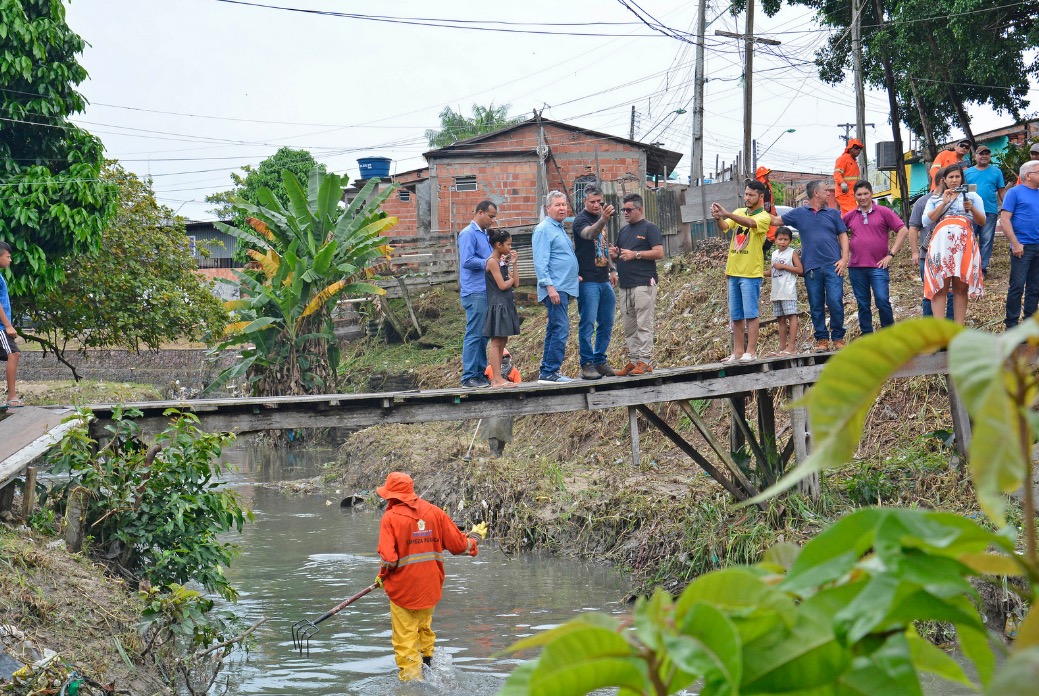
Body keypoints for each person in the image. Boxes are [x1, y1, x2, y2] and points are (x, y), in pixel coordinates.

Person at [375, 472, 483, 682]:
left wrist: (382, 575)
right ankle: (428, 663)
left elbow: (389, 558)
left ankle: (413, 685)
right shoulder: (435, 512)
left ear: (392, 496)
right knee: (424, 628)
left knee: (406, 641)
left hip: (403, 592)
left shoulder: (390, 518)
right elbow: (459, 545)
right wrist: (474, 540)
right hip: (430, 588)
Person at [773, 180, 850, 352]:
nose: (829, 193)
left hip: (833, 266)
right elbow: (775, 220)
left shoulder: (833, 213)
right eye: (825, 190)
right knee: (816, 304)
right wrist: (756, 212)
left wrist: (844, 258)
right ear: (816, 193)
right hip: (811, 268)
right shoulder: (799, 213)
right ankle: (822, 340)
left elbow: (843, 236)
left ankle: (838, 338)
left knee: (835, 301)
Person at [712, 180, 772, 362]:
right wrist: (718, 218)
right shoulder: (738, 212)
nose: (747, 197)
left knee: (751, 313)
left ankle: (751, 352)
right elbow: (725, 227)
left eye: (751, 195)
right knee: (736, 315)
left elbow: (750, 223)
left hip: (751, 273)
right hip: (733, 271)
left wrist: (727, 213)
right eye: (746, 194)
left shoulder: (764, 217)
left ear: (760, 197)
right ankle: (738, 352)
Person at [842, 181, 911, 334]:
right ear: (854, 196)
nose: (863, 197)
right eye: (859, 194)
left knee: (882, 300)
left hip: (878, 266)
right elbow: (838, 233)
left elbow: (903, 230)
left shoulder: (883, 211)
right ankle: (868, 339)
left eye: (865, 193)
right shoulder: (850, 216)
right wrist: (844, 253)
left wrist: (891, 254)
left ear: (871, 194)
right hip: (856, 267)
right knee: (863, 304)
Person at [922, 164, 985, 324]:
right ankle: (940, 332)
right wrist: (943, 203)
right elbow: (925, 221)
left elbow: (982, 221)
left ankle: (957, 331)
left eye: (957, 176)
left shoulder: (973, 197)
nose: (954, 180)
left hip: (964, 243)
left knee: (961, 287)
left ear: (962, 178)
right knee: (940, 286)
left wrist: (971, 209)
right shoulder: (935, 198)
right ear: (944, 180)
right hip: (941, 244)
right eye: (951, 177)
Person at [609, 193, 664, 375]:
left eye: (628, 209)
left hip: (644, 283)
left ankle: (645, 361)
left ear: (639, 209)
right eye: (623, 209)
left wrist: (636, 254)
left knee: (643, 324)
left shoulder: (650, 228)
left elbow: (659, 253)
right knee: (629, 326)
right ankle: (633, 361)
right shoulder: (624, 231)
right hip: (625, 285)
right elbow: (619, 254)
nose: (625, 212)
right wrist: (615, 254)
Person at [533, 190, 579, 384]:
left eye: (564, 205)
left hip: (564, 285)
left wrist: (575, 274)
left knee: (555, 327)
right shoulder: (544, 229)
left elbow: (561, 257)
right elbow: (540, 262)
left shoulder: (558, 228)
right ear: (548, 208)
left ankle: (547, 371)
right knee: (560, 327)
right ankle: (550, 371)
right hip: (555, 288)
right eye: (558, 205)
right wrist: (549, 287)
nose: (562, 208)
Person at [572, 184, 617, 380]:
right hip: (587, 280)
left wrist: (612, 268)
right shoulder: (580, 220)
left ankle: (599, 360)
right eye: (593, 202)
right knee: (588, 323)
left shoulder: (602, 217)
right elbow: (590, 234)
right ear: (585, 201)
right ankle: (586, 363)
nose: (597, 205)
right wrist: (603, 219)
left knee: (607, 322)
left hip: (603, 279)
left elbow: (604, 245)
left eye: (600, 201)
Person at [457, 200, 498, 388]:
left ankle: (480, 374)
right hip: (474, 291)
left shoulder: (484, 235)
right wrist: (487, 263)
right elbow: (467, 261)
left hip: (485, 290)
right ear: (480, 212)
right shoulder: (468, 234)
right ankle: (469, 376)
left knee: (483, 334)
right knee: (474, 333)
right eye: (490, 217)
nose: (492, 221)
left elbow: (489, 259)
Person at [1001, 160, 1039, 328]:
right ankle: (1012, 325)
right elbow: (1005, 220)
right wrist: (1015, 243)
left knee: (1035, 287)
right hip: (1022, 247)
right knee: (1017, 286)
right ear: (1028, 175)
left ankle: (1029, 325)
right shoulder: (1014, 193)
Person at [483, 229, 520, 388]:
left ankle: (499, 378)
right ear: (498, 245)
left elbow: (516, 283)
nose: (510, 247)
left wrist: (514, 264)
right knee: (496, 341)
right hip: (497, 305)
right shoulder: (492, 262)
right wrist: (510, 279)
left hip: (506, 304)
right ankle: (496, 379)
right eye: (508, 244)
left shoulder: (502, 261)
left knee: (503, 340)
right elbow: (503, 285)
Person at [908, 194, 953, 319]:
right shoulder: (923, 202)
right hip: (928, 256)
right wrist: (915, 252)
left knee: (952, 293)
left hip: (951, 256)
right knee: (930, 293)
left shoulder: (959, 199)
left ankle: (951, 330)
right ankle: (930, 330)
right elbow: (913, 227)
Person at [964, 145, 1006, 276]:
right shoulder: (967, 172)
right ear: (975, 156)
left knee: (986, 240)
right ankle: (968, 267)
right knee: (969, 239)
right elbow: (962, 191)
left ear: (990, 156)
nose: (984, 156)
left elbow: (1001, 191)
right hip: (970, 211)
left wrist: (1007, 208)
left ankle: (981, 269)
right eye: (981, 154)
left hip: (989, 211)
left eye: (987, 154)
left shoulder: (996, 171)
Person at [763, 227, 802, 355]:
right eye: (780, 239)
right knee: (780, 319)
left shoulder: (792, 253)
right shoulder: (774, 254)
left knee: (791, 316)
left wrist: (784, 266)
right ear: (775, 240)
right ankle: (781, 347)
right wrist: (758, 273)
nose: (782, 242)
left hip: (788, 290)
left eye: (785, 239)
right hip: (776, 291)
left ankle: (791, 347)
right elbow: (771, 272)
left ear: (790, 241)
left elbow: (800, 270)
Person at [0, 242, 20, 408]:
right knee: (13, 354)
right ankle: (12, 397)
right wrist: (7, 325)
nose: (10, 260)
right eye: (8, 257)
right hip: (0, 327)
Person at [834, 138, 864, 214]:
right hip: (844, 193)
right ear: (850, 148)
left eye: (860, 148)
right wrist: (842, 183)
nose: (858, 150)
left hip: (851, 193)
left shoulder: (853, 161)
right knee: (855, 213)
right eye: (856, 148)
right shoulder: (843, 159)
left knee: (847, 216)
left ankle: (843, 226)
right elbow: (837, 174)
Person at [755, 166, 778, 251]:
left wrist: (774, 213)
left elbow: (771, 202)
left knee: (773, 234)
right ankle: (758, 252)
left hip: (769, 215)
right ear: (761, 176)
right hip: (759, 216)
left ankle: (763, 252)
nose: (768, 176)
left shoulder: (768, 186)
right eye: (766, 174)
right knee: (759, 236)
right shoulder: (756, 188)